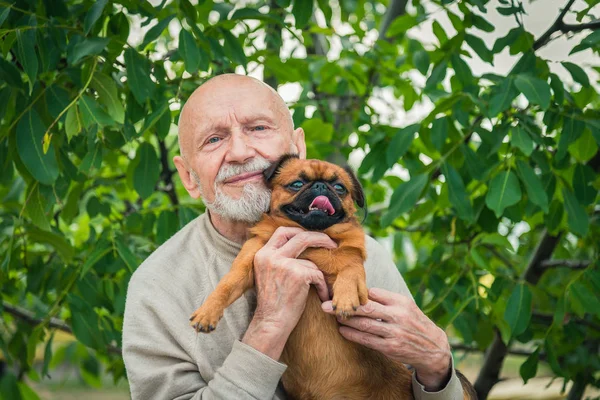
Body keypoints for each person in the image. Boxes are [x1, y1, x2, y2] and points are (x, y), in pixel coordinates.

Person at [123, 74, 468, 399]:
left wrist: (437, 368)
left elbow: (410, 376)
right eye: (214, 139)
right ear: (188, 176)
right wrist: (268, 327)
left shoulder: (362, 254)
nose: (241, 152)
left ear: (297, 147)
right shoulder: (156, 287)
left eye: (258, 128)